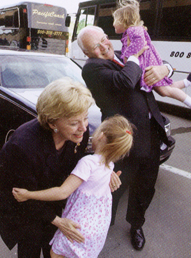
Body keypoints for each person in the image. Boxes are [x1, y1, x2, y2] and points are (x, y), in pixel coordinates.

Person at [77, 25, 174, 251]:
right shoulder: (92, 68)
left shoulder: (126, 55)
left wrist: (166, 69)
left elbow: (156, 69)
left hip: (150, 134)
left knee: (146, 186)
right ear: (87, 53)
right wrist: (133, 58)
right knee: (114, 188)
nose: (104, 46)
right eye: (96, 46)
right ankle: (100, 227)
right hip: (122, 140)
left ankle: (136, 225)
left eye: (104, 39)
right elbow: (125, 81)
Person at [0, 77, 104, 258]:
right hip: (19, 201)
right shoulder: (23, 146)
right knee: (30, 243)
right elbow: (22, 195)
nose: (83, 128)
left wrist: (103, 169)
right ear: (52, 123)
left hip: (48, 196)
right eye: (74, 122)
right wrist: (57, 221)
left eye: (85, 118)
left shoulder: (80, 132)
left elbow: (77, 163)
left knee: (54, 246)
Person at [12, 114, 133, 258]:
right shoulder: (109, 165)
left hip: (77, 227)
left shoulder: (88, 163)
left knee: (55, 254)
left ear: (101, 135)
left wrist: (28, 194)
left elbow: (63, 192)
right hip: (97, 231)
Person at [112, 0, 191, 108]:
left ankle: (189, 101)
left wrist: (128, 55)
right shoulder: (130, 32)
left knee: (165, 90)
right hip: (148, 64)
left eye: (115, 20)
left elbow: (139, 43)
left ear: (124, 20)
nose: (113, 24)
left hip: (148, 65)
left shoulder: (133, 30)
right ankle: (187, 82)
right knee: (165, 88)